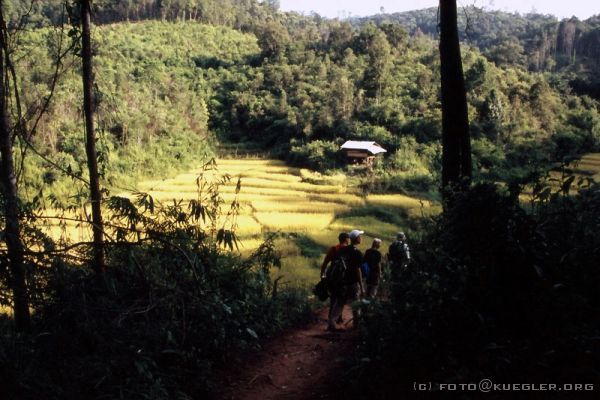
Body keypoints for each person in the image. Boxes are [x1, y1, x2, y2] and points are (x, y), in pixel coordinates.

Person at [328, 229, 364, 331]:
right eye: (360, 236)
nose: (361, 238)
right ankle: (357, 325)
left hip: (342, 282)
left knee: (339, 302)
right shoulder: (357, 253)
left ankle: (332, 323)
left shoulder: (342, 250)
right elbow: (358, 270)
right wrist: (361, 286)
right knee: (356, 303)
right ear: (356, 239)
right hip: (352, 282)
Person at [321, 232, 350, 329]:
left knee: (333, 298)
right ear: (346, 239)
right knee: (341, 298)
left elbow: (325, 262)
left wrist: (322, 274)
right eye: (348, 238)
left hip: (332, 277)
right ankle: (337, 319)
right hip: (344, 278)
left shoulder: (333, 249)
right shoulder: (349, 250)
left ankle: (331, 318)